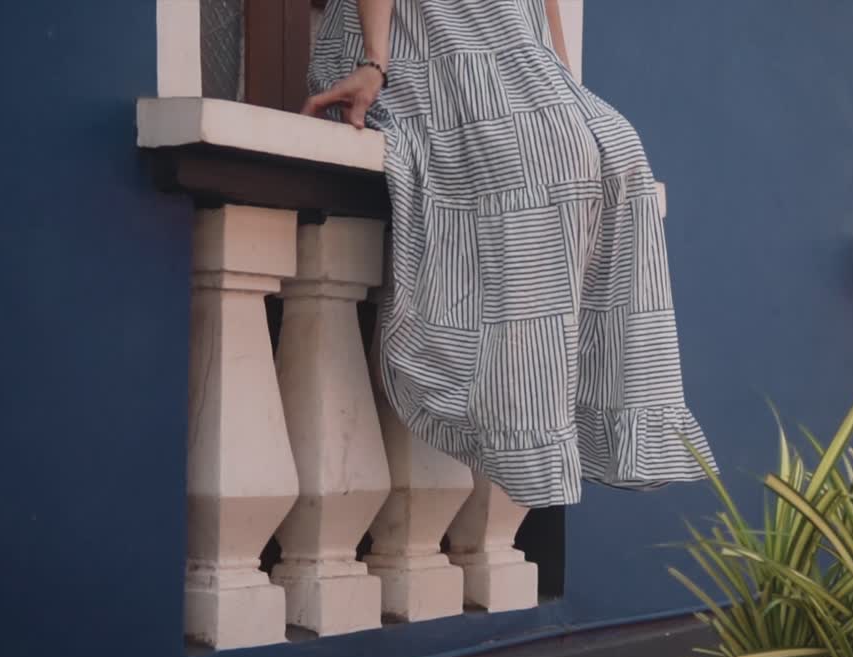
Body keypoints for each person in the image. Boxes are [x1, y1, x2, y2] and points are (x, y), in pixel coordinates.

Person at [304, 0, 714, 508]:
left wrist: (561, 81)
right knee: (540, 152)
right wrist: (373, 62)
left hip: (513, 38)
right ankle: (513, 411)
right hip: (423, 37)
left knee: (619, 148)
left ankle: (576, 411)